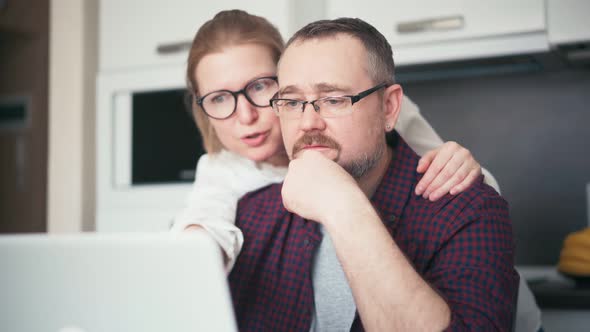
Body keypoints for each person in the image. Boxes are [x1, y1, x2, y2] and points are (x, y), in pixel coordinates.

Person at [172, 10, 541, 332]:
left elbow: (472, 192)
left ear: (388, 108)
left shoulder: (457, 203)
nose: (307, 122)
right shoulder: (238, 192)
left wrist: (342, 202)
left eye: (333, 100)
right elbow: (204, 225)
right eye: (292, 101)